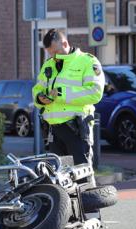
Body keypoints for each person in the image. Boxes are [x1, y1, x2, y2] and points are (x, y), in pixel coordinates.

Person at [32, 29, 105, 169]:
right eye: (50, 53)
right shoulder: (48, 64)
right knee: (59, 177)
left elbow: (96, 93)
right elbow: (37, 89)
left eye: (55, 52)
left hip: (76, 129)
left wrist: (61, 94)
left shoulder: (87, 61)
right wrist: (40, 99)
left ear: (64, 43)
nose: (53, 56)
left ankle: (87, 192)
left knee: (82, 175)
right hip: (54, 131)